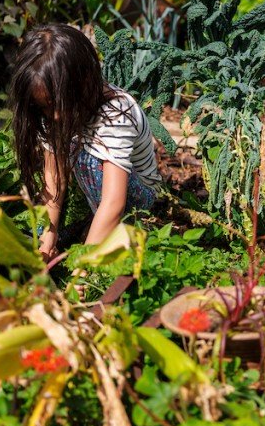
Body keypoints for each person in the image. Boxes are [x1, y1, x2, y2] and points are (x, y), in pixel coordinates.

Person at [10, 24, 162, 261]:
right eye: (44, 106)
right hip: (99, 198)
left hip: (137, 200)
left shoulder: (116, 113)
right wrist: (47, 238)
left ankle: (132, 231)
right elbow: (55, 179)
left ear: (85, 83)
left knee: (90, 160)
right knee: (41, 233)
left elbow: (113, 202)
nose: (55, 115)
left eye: (60, 104)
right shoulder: (50, 114)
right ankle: (92, 231)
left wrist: (84, 267)